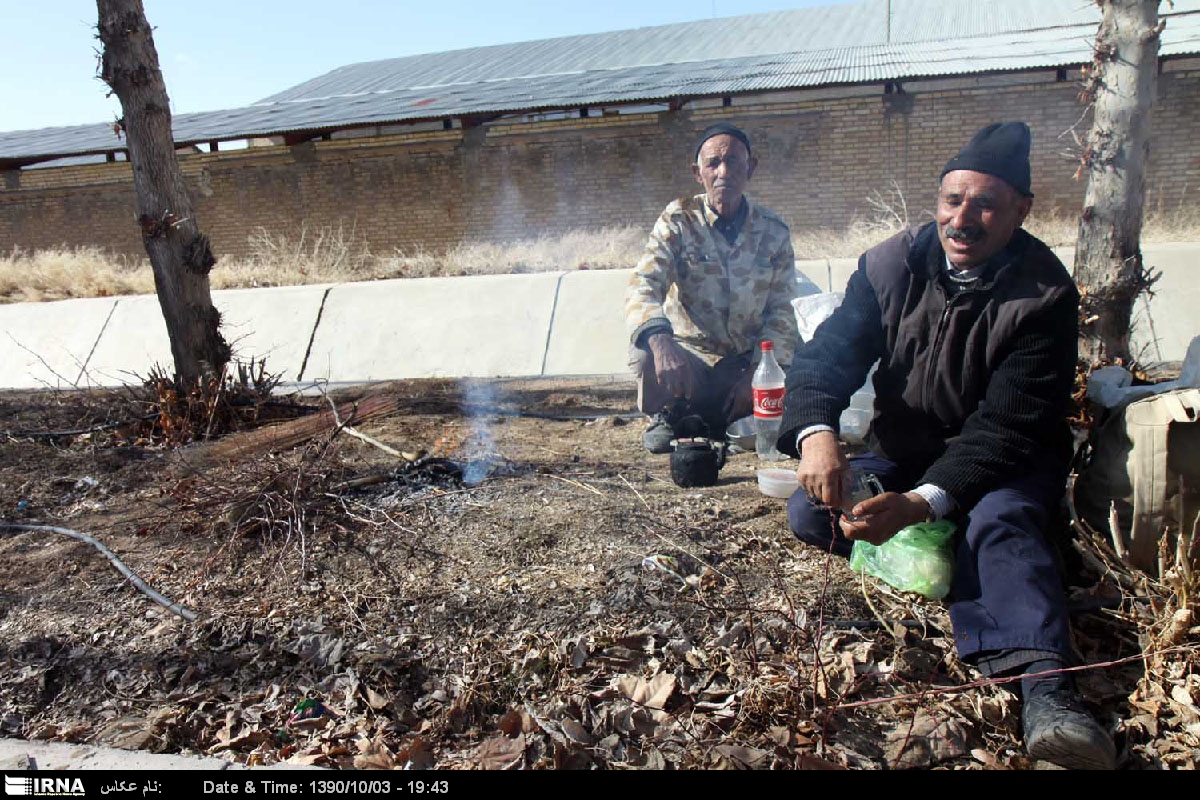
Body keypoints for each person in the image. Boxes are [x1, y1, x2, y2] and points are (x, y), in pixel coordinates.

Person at [777, 122, 1115, 770]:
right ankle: (956, 555)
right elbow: (826, 358)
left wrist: (925, 502)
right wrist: (817, 434)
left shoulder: (1044, 294)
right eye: (953, 200)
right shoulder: (888, 265)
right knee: (809, 509)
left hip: (1004, 458)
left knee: (1001, 524)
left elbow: (1007, 426)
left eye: (985, 204)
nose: (964, 219)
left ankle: (1047, 695)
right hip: (904, 446)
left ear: (1021, 210)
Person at [625, 123, 799, 452]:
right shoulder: (677, 221)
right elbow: (642, 285)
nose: (723, 171)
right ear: (697, 172)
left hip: (746, 363)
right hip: (692, 363)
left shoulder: (773, 231)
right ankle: (672, 413)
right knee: (646, 347)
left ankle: (732, 418)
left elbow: (784, 310)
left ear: (751, 167)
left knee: (796, 370)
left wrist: (760, 373)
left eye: (734, 161)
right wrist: (662, 343)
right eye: (713, 163)